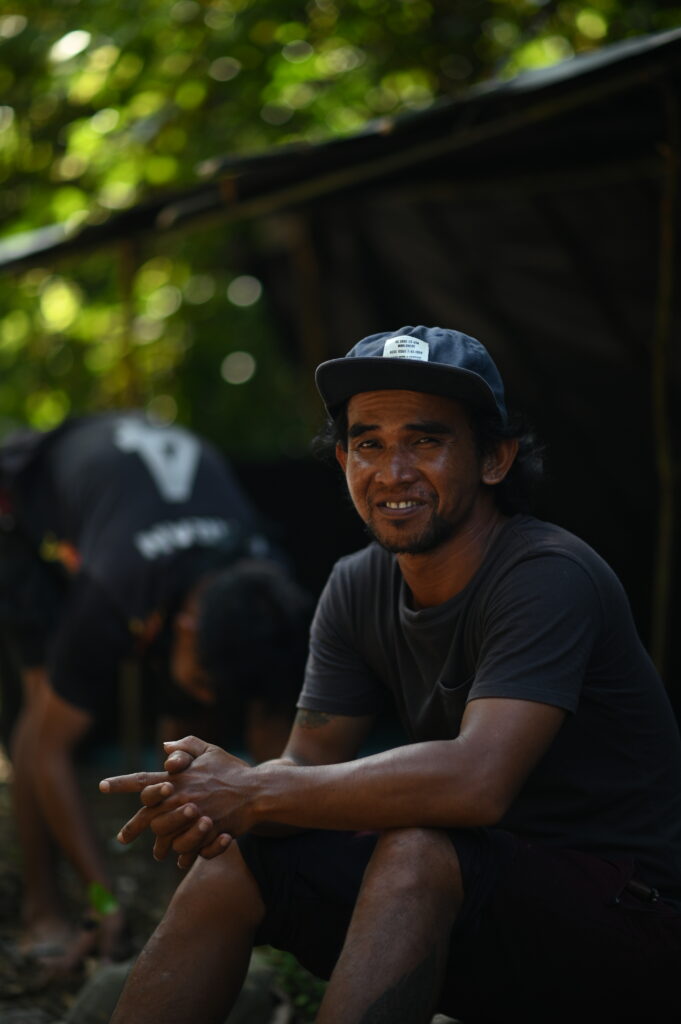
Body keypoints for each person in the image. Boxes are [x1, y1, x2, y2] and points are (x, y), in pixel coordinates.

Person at [100, 327, 681, 1024]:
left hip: (629, 924)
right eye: (368, 443)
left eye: (425, 441)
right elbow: (303, 772)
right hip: (485, 904)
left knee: (416, 849)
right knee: (238, 853)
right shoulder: (356, 586)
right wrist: (207, 799)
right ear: (343, 460)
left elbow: (476, 783)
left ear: (494, 459)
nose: (392, 471)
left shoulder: (548, 575)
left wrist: (252, 788)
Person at [0, 410, 311, 970]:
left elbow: (276, 756)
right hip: (18, 498)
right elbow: (49, 753)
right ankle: (45, 908)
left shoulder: (270, 588)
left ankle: (182, 895)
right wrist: (108, 896)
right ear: (184, 628)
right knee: (42, 709)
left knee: (196, 711)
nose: (212, 702)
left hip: (141, 514)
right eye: (202, 680)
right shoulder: (112, 591)